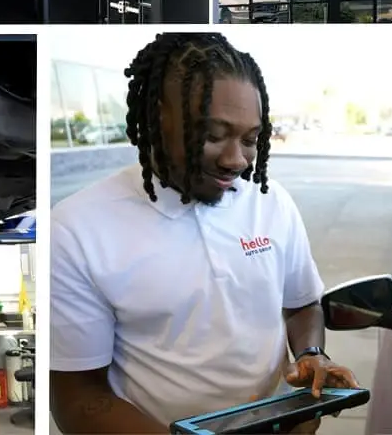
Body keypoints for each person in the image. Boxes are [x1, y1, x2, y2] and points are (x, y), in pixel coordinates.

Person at [51, 33, 358, 434]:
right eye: (212, 135)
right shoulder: (78, 230)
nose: (236, 160)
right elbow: (79, 399)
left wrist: (312, 354)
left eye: (250, 139)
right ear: (157, 117)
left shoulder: (271, 203)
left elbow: (301, 304)